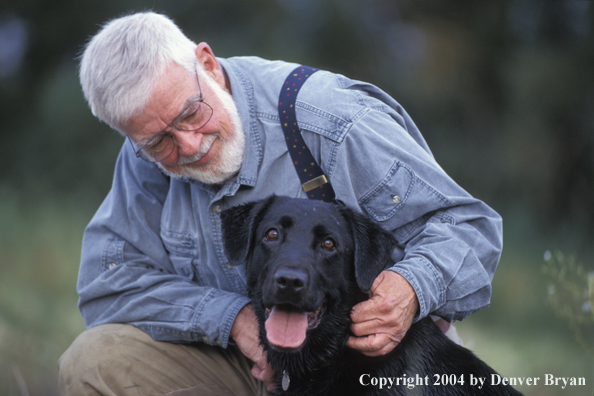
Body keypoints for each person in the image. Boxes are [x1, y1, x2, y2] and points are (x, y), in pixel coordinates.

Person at [58, 11, 502, 396]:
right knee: (93, 362)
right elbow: (109, 283)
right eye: (158, 141)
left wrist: (410, 288)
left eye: (191, 114)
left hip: (370, 366)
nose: (188, 145)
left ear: (208, 65)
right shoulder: (144, 157)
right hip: (248, 363)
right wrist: (233, 319)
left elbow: (470, 227)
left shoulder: (333, 120)